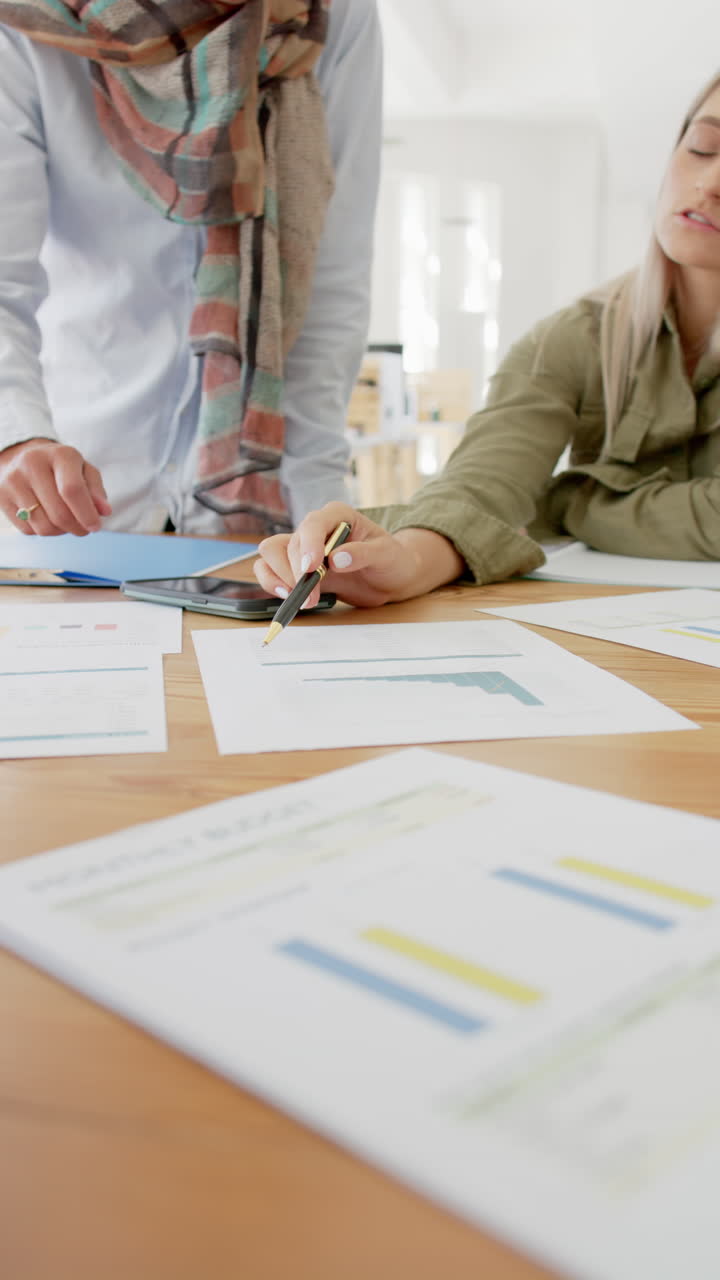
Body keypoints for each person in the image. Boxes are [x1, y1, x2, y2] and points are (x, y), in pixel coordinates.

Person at [255, 70, 720, 610]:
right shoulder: (579, 336)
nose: (710, 183)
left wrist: (570, 501)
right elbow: (482, 486)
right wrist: (403, 563)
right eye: (703, 147)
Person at [0, 0, 381, 538]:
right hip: (74, 499)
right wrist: (15, 434)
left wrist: (316, 488)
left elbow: (332, 272)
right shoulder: (22, 21)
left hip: (265, 507)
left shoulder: (334, 14)